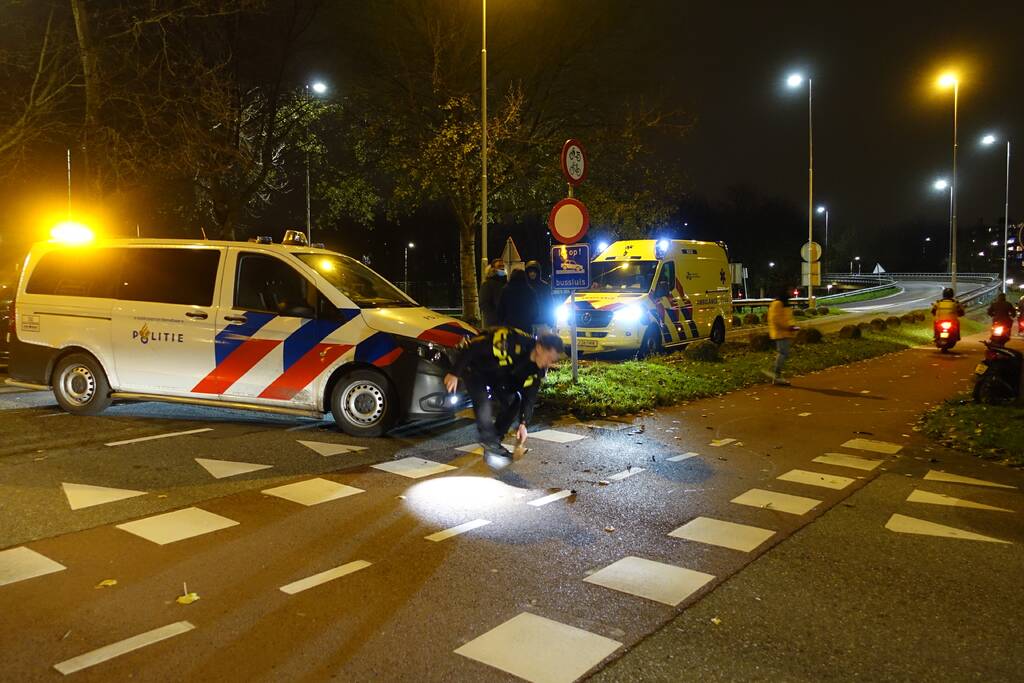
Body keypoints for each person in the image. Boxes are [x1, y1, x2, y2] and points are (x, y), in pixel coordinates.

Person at [444, 329, 564, 471]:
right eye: (549, 358)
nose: (548, 364)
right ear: (539, 348)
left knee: (515, 401)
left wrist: (523, 423)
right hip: (475, 366)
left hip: (497, 375)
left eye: (552, 361)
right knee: (483, 402)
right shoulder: (511, 343)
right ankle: (489, 440)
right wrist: (454, 372)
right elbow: (474, 347)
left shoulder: (538, 371)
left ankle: (494, 442)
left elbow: (530, 397)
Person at [767, 288, 798, 385]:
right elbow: (776, 320)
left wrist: (792, 326)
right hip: (780, 333)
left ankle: (776, 375)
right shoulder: (777, 304)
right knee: (782, 353)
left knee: (784, 353)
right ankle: (776, 376)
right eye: (789, 290)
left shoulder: (785, 304)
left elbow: (788, 318)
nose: (791, 292)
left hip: (785, 332)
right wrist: (789, 327)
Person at [497, 268, 539, 333]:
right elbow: (536, 310)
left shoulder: (505, 290)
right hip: (526, 325)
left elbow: (500, 309)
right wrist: (530, 320)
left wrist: (503, 321)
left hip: (509, 325)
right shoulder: (530, 291)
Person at [524, 260, 554, 332]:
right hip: (528, 322)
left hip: (542, 322)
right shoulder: (524, 286)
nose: (532, 274)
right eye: (530, 272)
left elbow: (549, 304)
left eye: (534, 272)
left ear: (538, 273)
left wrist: (550, 320)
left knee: (543, 342)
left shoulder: (544, 286)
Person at [478, 258, 506, 328]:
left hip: (506, 322)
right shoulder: (487, 284)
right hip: (494, 324)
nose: (502, 268)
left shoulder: (505, 284)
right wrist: (494, 318)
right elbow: (484, 303)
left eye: (503, 266)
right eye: (499, 266)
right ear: (493, 269)